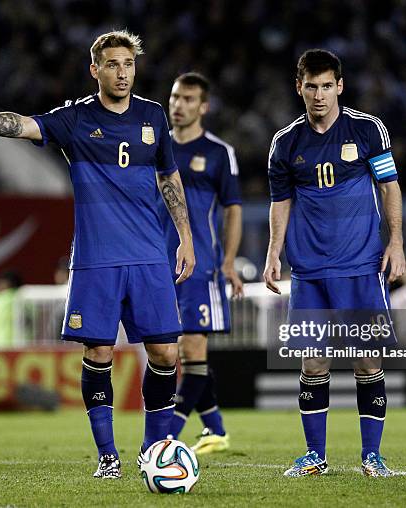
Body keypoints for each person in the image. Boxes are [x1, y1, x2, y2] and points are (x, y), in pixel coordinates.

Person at [0, 30, 195, 480]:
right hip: (97, 258)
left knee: (165, 353)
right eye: (112, 65)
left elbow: (169, 179)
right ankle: (107, 456)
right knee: (99, 353)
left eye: (128, 64)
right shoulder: (76, 120)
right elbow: (23, 124)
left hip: (148, 256)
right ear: (94, 70)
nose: (122, 73)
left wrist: (186, 238)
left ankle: (154, 448)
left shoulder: (153, 117)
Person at [263, 49, 405, 477]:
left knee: (368, 361)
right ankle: (315, 456)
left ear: (340, 86)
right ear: (299, 87)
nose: (320, 95)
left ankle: (372, 456)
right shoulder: (285, 144)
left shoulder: (367, 129)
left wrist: (396, 242)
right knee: (312, 363)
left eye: (327, 86)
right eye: (312, 86)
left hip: (361, 266)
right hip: (309, 272)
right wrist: (273, 251)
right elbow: (280, 201)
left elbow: (390, 186)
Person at [159, 73, 243, 454]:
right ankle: (216, 429)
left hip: (201, 264)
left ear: (203, 106)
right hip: (158, 264)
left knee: (192, 348)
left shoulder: (217, 152)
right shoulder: (156, 147)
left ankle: (166, 434)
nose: (179, 104)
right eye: (176, 97)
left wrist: (227, 262)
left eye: (188, 99)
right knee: (172, 351)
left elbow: (233, 210)